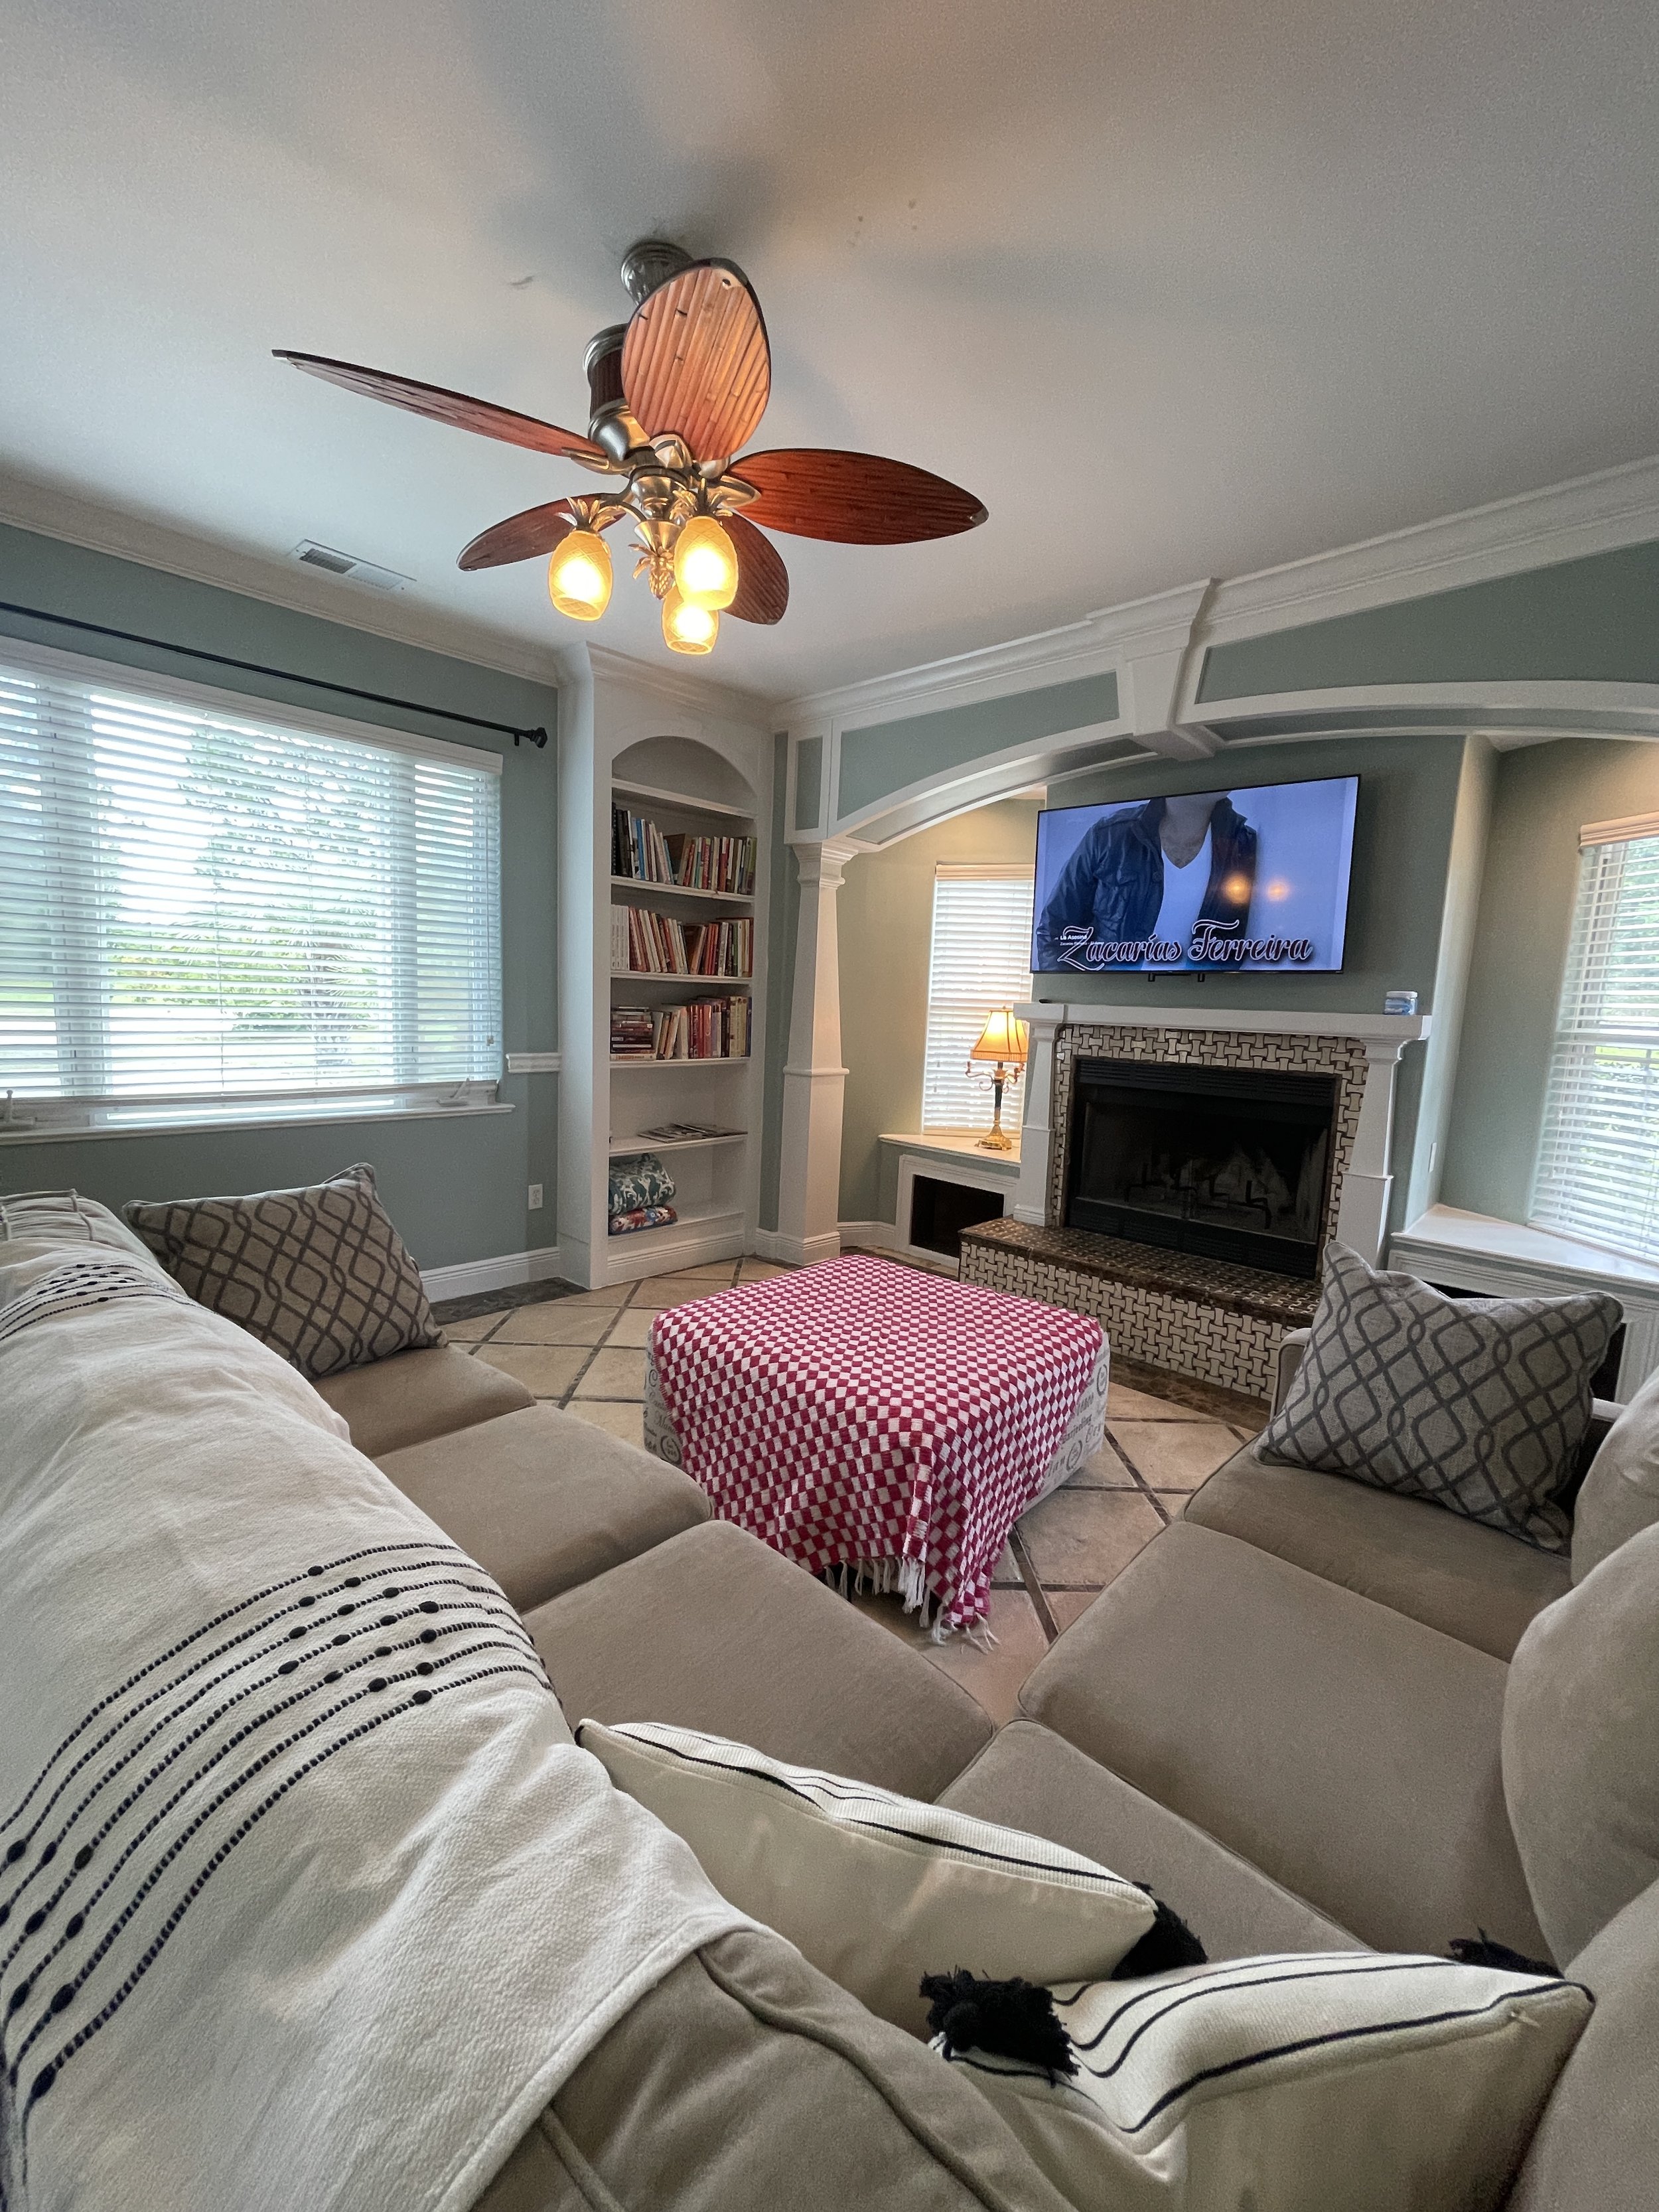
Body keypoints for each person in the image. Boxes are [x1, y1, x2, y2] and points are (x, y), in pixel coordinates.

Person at [1033, 791, 1257, 969]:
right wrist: (1081, 997)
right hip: (1107, 1002)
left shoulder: (1243, 843)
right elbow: (1054, 930)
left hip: (1200, 1007)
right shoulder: (1109, 835)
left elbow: (1234, 944)